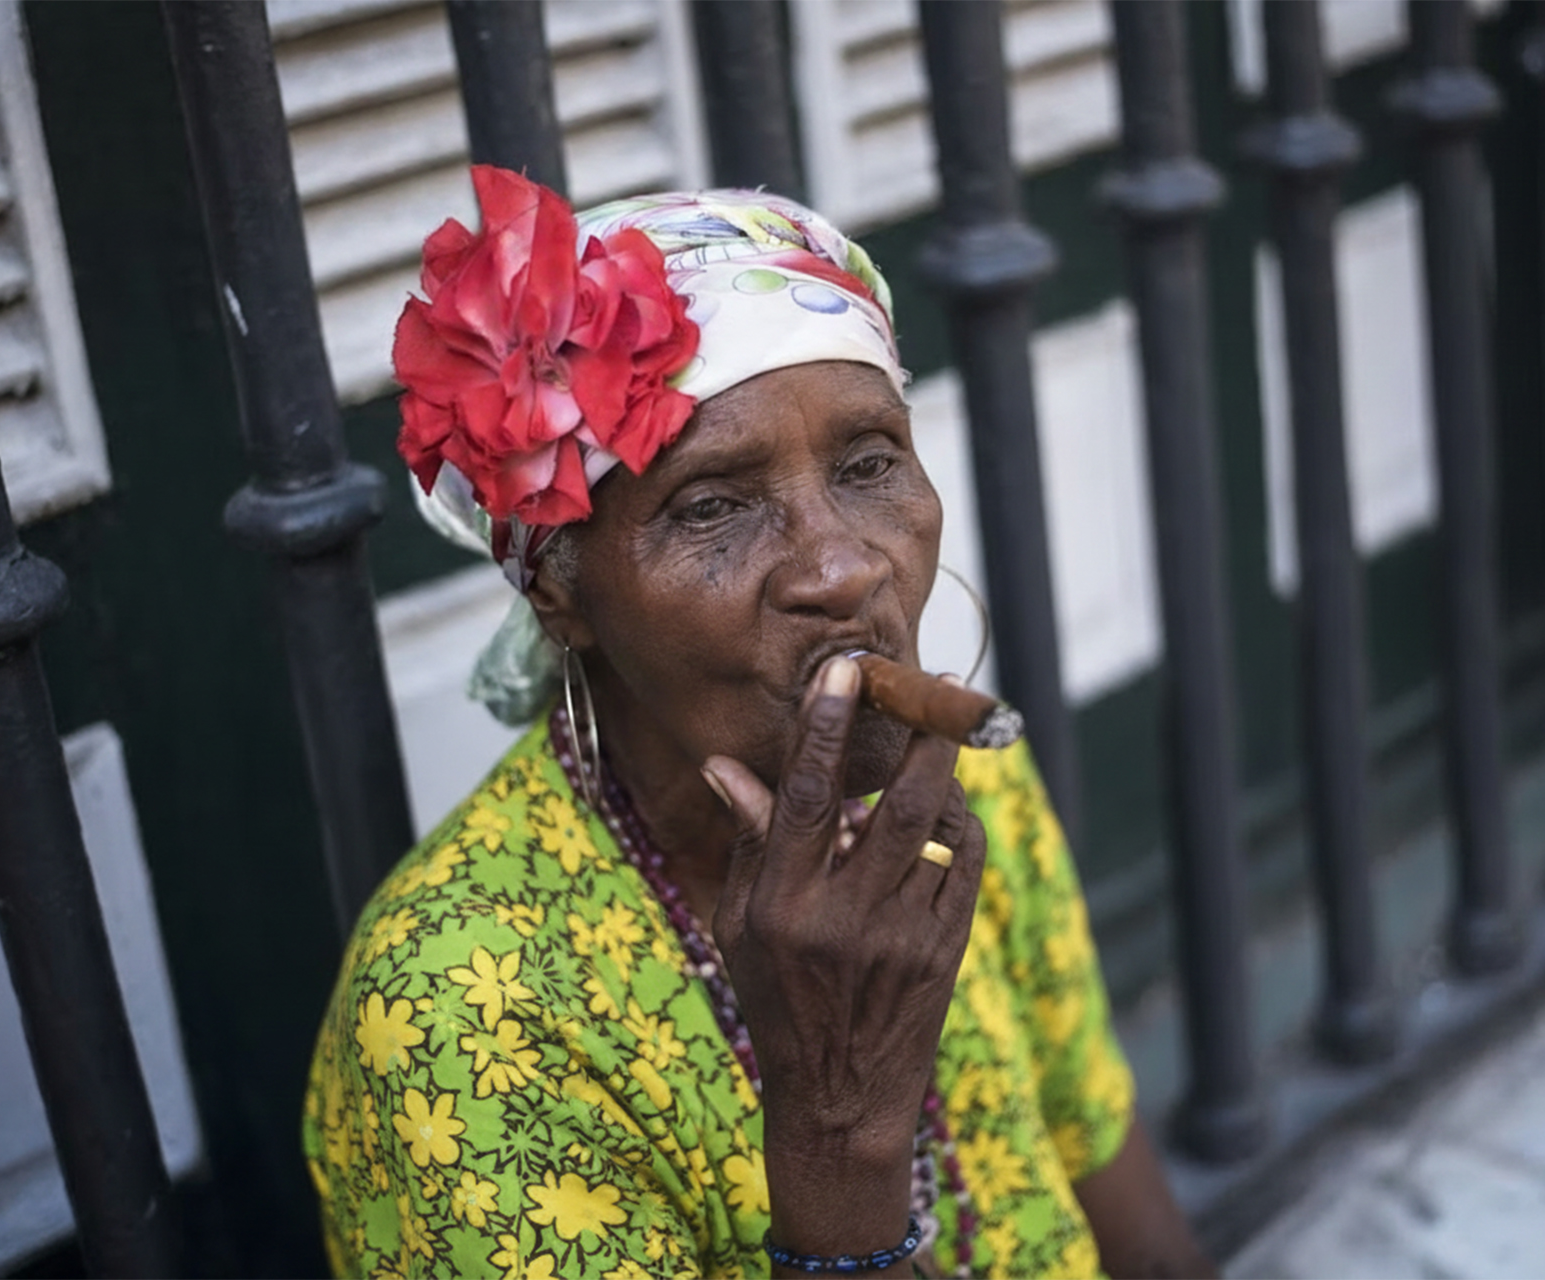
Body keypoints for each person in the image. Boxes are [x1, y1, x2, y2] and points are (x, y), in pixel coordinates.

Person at [302, 166, 1214, 1280]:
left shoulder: (956, 787)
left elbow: (1102, 1152)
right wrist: (838, 1132)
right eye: (712, 505)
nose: (841, 565)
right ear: (561, 595)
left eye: (870, 463)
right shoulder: (456, 1011)